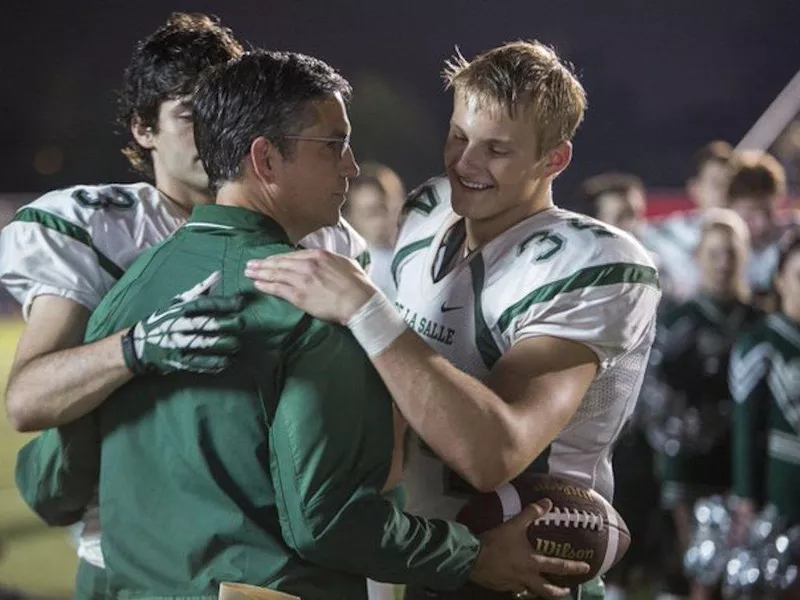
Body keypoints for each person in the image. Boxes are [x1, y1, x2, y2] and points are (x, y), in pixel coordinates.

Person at [15, 50, 587, 600]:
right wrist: (473, 557)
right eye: (334, 145)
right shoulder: (313, 304)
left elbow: (52, 483)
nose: (352, 166)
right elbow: (328, 521)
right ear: (265, 161)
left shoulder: (127, 290)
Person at [245, 40, 661, 600]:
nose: (465, 164)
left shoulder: (595, 262)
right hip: (432, 558)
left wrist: (367, 309)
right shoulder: (428, 210)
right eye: (459, 136)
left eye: (497, 150)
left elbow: (492, 454)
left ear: (553, 160)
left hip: (523, 572)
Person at [0, 11, 367, 591]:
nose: (212, 133)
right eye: (193, 116)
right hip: (131, 551)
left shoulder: (320, 229)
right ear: (144, 129)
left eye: (226, 114)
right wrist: (135, 347)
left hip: (268, 546)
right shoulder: (104, 227)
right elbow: (28, 401)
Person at [646, 209, 761, 600]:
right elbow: (653, 397)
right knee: (699, 568)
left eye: (731, 253)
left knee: (748, 572)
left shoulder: (759, 320)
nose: (723, 263)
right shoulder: (678, 320)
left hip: (745, 462)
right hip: (690, 465)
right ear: (698, 257)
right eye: (713, 254)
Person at [729, 228, 800, 531]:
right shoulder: (760, 344)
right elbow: (746, 428)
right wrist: (746, 497)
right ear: (780, 280)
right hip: (784, 492)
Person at [644, 141, 734, 301]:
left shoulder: (754, 237)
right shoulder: (667, 235)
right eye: (716, 184)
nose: (725, 193)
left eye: (730, 185)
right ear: (695, 188)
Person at [725, 150, 790, 308]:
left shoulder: (792, 240)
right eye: (750, 214)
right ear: (729, 206)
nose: (761, 223)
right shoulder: (711, 246)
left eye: (768, 212)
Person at [343, 162, 406, 300]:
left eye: (393, 208)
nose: (387, 218)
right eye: (372, 213)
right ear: (351, 219)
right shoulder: (352, 273)